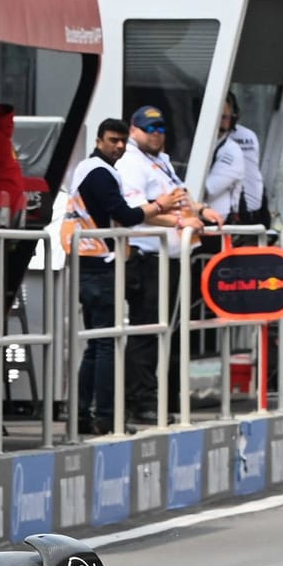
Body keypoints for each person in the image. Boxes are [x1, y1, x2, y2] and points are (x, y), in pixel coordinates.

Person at [62, 119, 181, 434]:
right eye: (113, 140)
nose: (118, 146)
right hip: (98, 265)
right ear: (99, 140)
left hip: (92, 262)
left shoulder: (95, 170)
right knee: (105, 344)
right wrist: (160, 206)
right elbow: (126, 216)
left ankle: (83, 416)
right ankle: (104, 416)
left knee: (96, 343)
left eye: (122, 141)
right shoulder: (98, 172)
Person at [116, 105, 213, 421]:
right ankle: (138, 402)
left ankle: (154, 397)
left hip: (170, 257)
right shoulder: (132, 163)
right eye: (149, 129)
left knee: (162, 332)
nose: (156, 134)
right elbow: (135, 211)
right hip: (148, 257)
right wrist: (178, 223)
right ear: (134, 131)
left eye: (160, 129)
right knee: (146, 331)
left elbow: (179, 196)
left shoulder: (160, 160)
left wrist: (200, 211)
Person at [222, 92, 265, 225]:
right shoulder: (249, 134)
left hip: (238, 211)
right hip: (257, 207)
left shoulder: (224, 139)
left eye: (225, 116)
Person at [202, 98, 246, 226]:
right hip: (197, 219)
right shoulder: (196, 145)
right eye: (217, 116)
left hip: (219, 223)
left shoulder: (232, 151)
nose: (220, 121)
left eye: (224, 117)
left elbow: (209, 189)